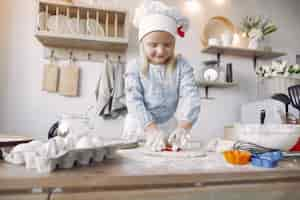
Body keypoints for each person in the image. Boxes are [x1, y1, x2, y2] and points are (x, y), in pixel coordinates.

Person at [122, 0, 200, 152]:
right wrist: (150, 129)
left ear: (174, 43)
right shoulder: (134, 67)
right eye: (153, 44)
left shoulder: (182, 65)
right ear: (143, 44)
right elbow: (133, 100)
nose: (161, 50)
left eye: (167, 44)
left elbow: (191, 96)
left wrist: (184, 127)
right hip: (139, 125)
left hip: (169, 127)